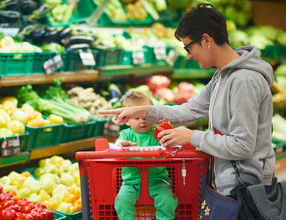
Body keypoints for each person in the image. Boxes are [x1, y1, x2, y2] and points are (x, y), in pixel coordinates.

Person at [100, 3, 275, 198]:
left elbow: (242, 145)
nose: (189, 55)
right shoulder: (222, 76)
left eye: (188, 47)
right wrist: (142, 111)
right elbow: (189, 110)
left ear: (206, 40)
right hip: (233, 184)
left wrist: (192, 137)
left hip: (249, 189)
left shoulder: (244, 80)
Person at [114, 91, 177, 220]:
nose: (142, 122)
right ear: (126, 121)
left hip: (158, 180)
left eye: (146, 117)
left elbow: (171, 144)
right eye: (136, 118)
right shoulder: (126, 134)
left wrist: (166, 128)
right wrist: (122, 145)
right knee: (121, 201)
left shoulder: (158, 133)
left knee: (167, 200)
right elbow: (117, 145)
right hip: (131, 181)